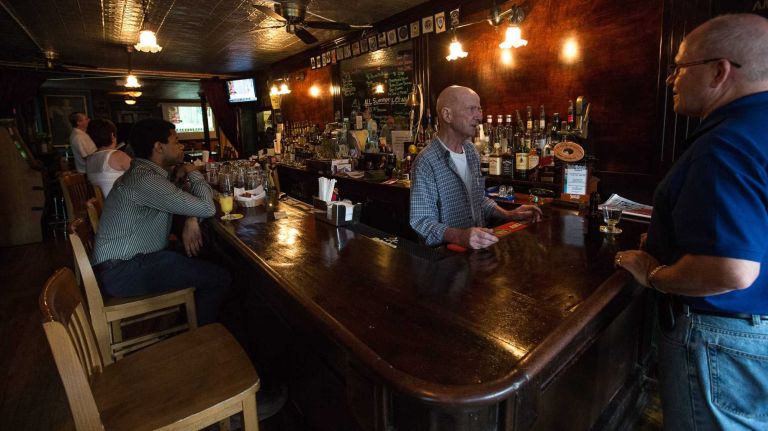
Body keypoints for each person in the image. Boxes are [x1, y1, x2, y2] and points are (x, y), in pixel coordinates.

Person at [614, 14, 768, 430]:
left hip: (723, 340)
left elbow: (730, 269)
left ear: (719, 71)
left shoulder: (726, 143)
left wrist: (656, 272)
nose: (671, 80)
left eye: (679, 67)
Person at [91, 118, 228, 325]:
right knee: (219, 277)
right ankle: (201, 339)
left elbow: (189, 203)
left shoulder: (144, 174)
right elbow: (207, 207)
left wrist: (191, 216)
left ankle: (187, 319)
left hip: (128, 263)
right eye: (176, 141)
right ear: (158, 147)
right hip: (123, 272)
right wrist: (193, 173)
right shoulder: (145, 180)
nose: (181, 146)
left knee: (206, 255)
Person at [410, 85, 542, 249]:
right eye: (472, 109)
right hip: (446, 260)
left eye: (479, 109)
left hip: (477, 252)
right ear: (447, 115)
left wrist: (509, 214)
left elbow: (478, 200)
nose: (480, 116)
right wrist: (460, 236)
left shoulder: (471, 151)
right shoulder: (426, 162)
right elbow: (422, 222)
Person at [85, 119, 131, 197]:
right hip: (121, 205)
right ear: (112, 136)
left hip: (104, 206)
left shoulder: (89, 159)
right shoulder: (117, 155)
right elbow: (143, 175)